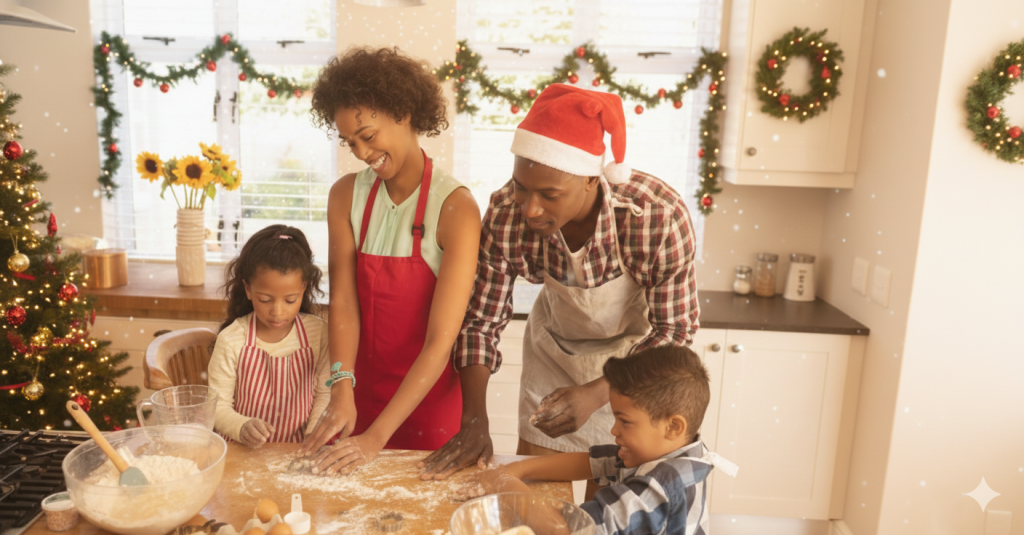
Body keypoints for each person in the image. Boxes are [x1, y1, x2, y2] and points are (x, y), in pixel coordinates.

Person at [422, 84, 700, 485]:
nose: (531, 209)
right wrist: (475, 420)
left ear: (591, 181)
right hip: (553, 357)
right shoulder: (506, 214)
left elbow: (675, 331)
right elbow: (481, 321)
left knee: (609, 507)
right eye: (521, 187)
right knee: (533, 501)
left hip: (637, 366)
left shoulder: (655, 216)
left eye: (550, 194)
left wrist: (597, 392)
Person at [297, 46, 481, 475]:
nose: (361, 153)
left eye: (368, 135)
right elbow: (343, 302)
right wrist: (342, 386)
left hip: (427, 405)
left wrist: (376, 439)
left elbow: (441, 341)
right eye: (349, 142)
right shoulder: (345, 196)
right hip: (358, 397)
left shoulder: (456, 209)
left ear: (403, 112)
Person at [469, 346, 736, 535]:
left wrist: (507, 487)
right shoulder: (670, 449)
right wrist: (517, 469)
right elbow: (592, 463)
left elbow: (565, 530)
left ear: (673, 426)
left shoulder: (661, 486)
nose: (613, 430)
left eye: (624, 421)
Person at [208, 225, 330, 447]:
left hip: (298, 449)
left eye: (290, 300)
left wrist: (314, 435)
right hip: (242, 453)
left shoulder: (318, 333)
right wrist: (242, 426)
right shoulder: (232, 339)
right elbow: (216, 406)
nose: (277, 311)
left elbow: (325, 393)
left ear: (304, 287)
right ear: (247, 289)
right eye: (265, 299)